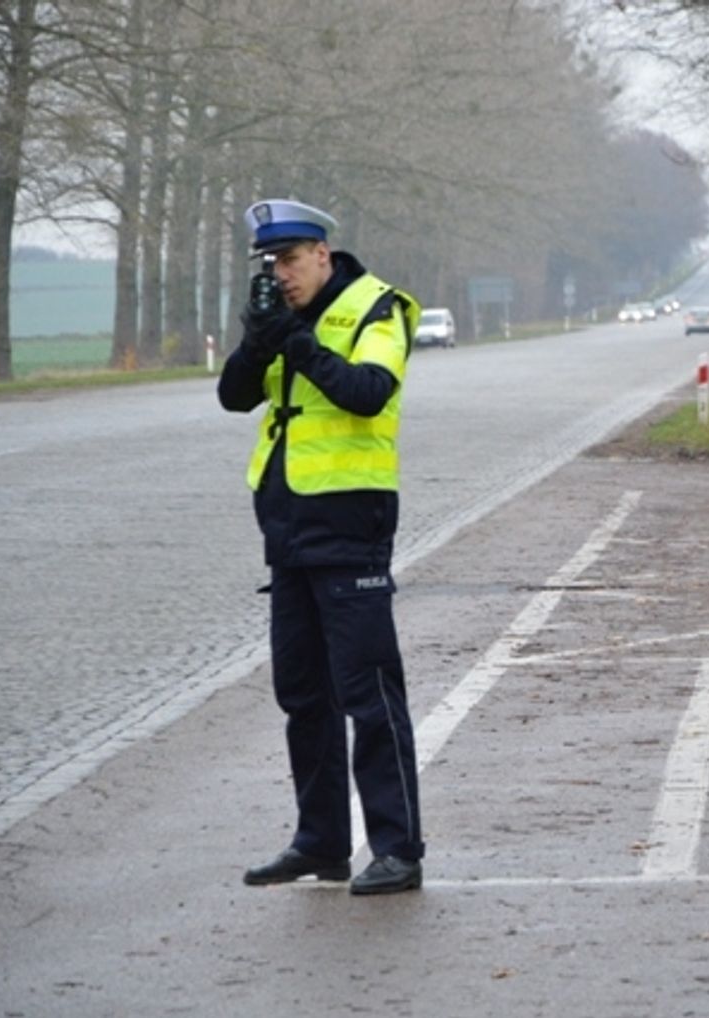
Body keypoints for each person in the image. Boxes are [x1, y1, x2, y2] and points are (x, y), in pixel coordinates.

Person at [218, 199, 426, 895]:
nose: (280, 274)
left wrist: (298, 344)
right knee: (303, 696)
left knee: (370, 696)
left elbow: (368, 393)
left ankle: (398, 849)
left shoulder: (377, 309)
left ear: (321, 256)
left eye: (289, 260)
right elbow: (233, 397)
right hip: (288, 531)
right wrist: (259, 341)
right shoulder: (286, 316)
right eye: (271, 263)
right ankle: (322, 842)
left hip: (350, 527)